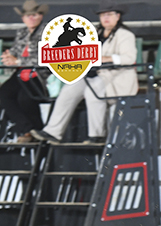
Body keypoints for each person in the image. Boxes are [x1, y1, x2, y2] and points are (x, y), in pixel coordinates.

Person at [31, 1, 138, 144]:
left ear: (117, 16)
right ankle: (53, 132)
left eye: (109, 15)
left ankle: (97, 135)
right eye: (102, 15)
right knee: (69, 89)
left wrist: (105, 58)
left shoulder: (125, 35)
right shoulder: (96, 33)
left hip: (115, 77)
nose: (105, 18)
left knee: (93, 90)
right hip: (93, 75)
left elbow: (129, 58)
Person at [0, 0, 49, 143]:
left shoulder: (48, 32)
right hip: (20, 74)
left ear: (40, 15)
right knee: (4, 94)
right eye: (28, 16)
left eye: (34, 15)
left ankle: (34, 130)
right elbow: (14, 52)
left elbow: (44, 58)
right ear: (23, 18)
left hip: (38, 75)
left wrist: (18, 61)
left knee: (25, 97)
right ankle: (28, 129)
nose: (31, 18)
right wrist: (9, 58)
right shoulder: (22, 32)